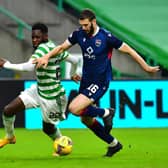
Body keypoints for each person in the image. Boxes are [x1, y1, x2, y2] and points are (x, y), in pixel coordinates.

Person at [33, 9, 160, 157]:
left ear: (93, 22)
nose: (84, 28)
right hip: (86, 81)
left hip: (100, 81)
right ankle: (114, 144)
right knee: (86, 119)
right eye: (82, 25)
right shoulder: (79, 34)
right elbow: (61, 47)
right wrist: (47, 57)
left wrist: (146, 67)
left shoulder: (106, 37)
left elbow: (129, 50)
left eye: (86, 25)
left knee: (74, 108)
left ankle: (106, 112)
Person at [0, 23, 78, 154]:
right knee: (9, 110)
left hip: (53, 96)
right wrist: (72, 74)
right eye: (33, 37)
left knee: (47, 128)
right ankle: (10, 137)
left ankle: (61, 145)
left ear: (45, 36)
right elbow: (75, 60)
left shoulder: (43, 49)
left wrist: (6, 64)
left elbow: (29, 67)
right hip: (39, 90)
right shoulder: (53, 47)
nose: (35, 40)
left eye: (38, 37)